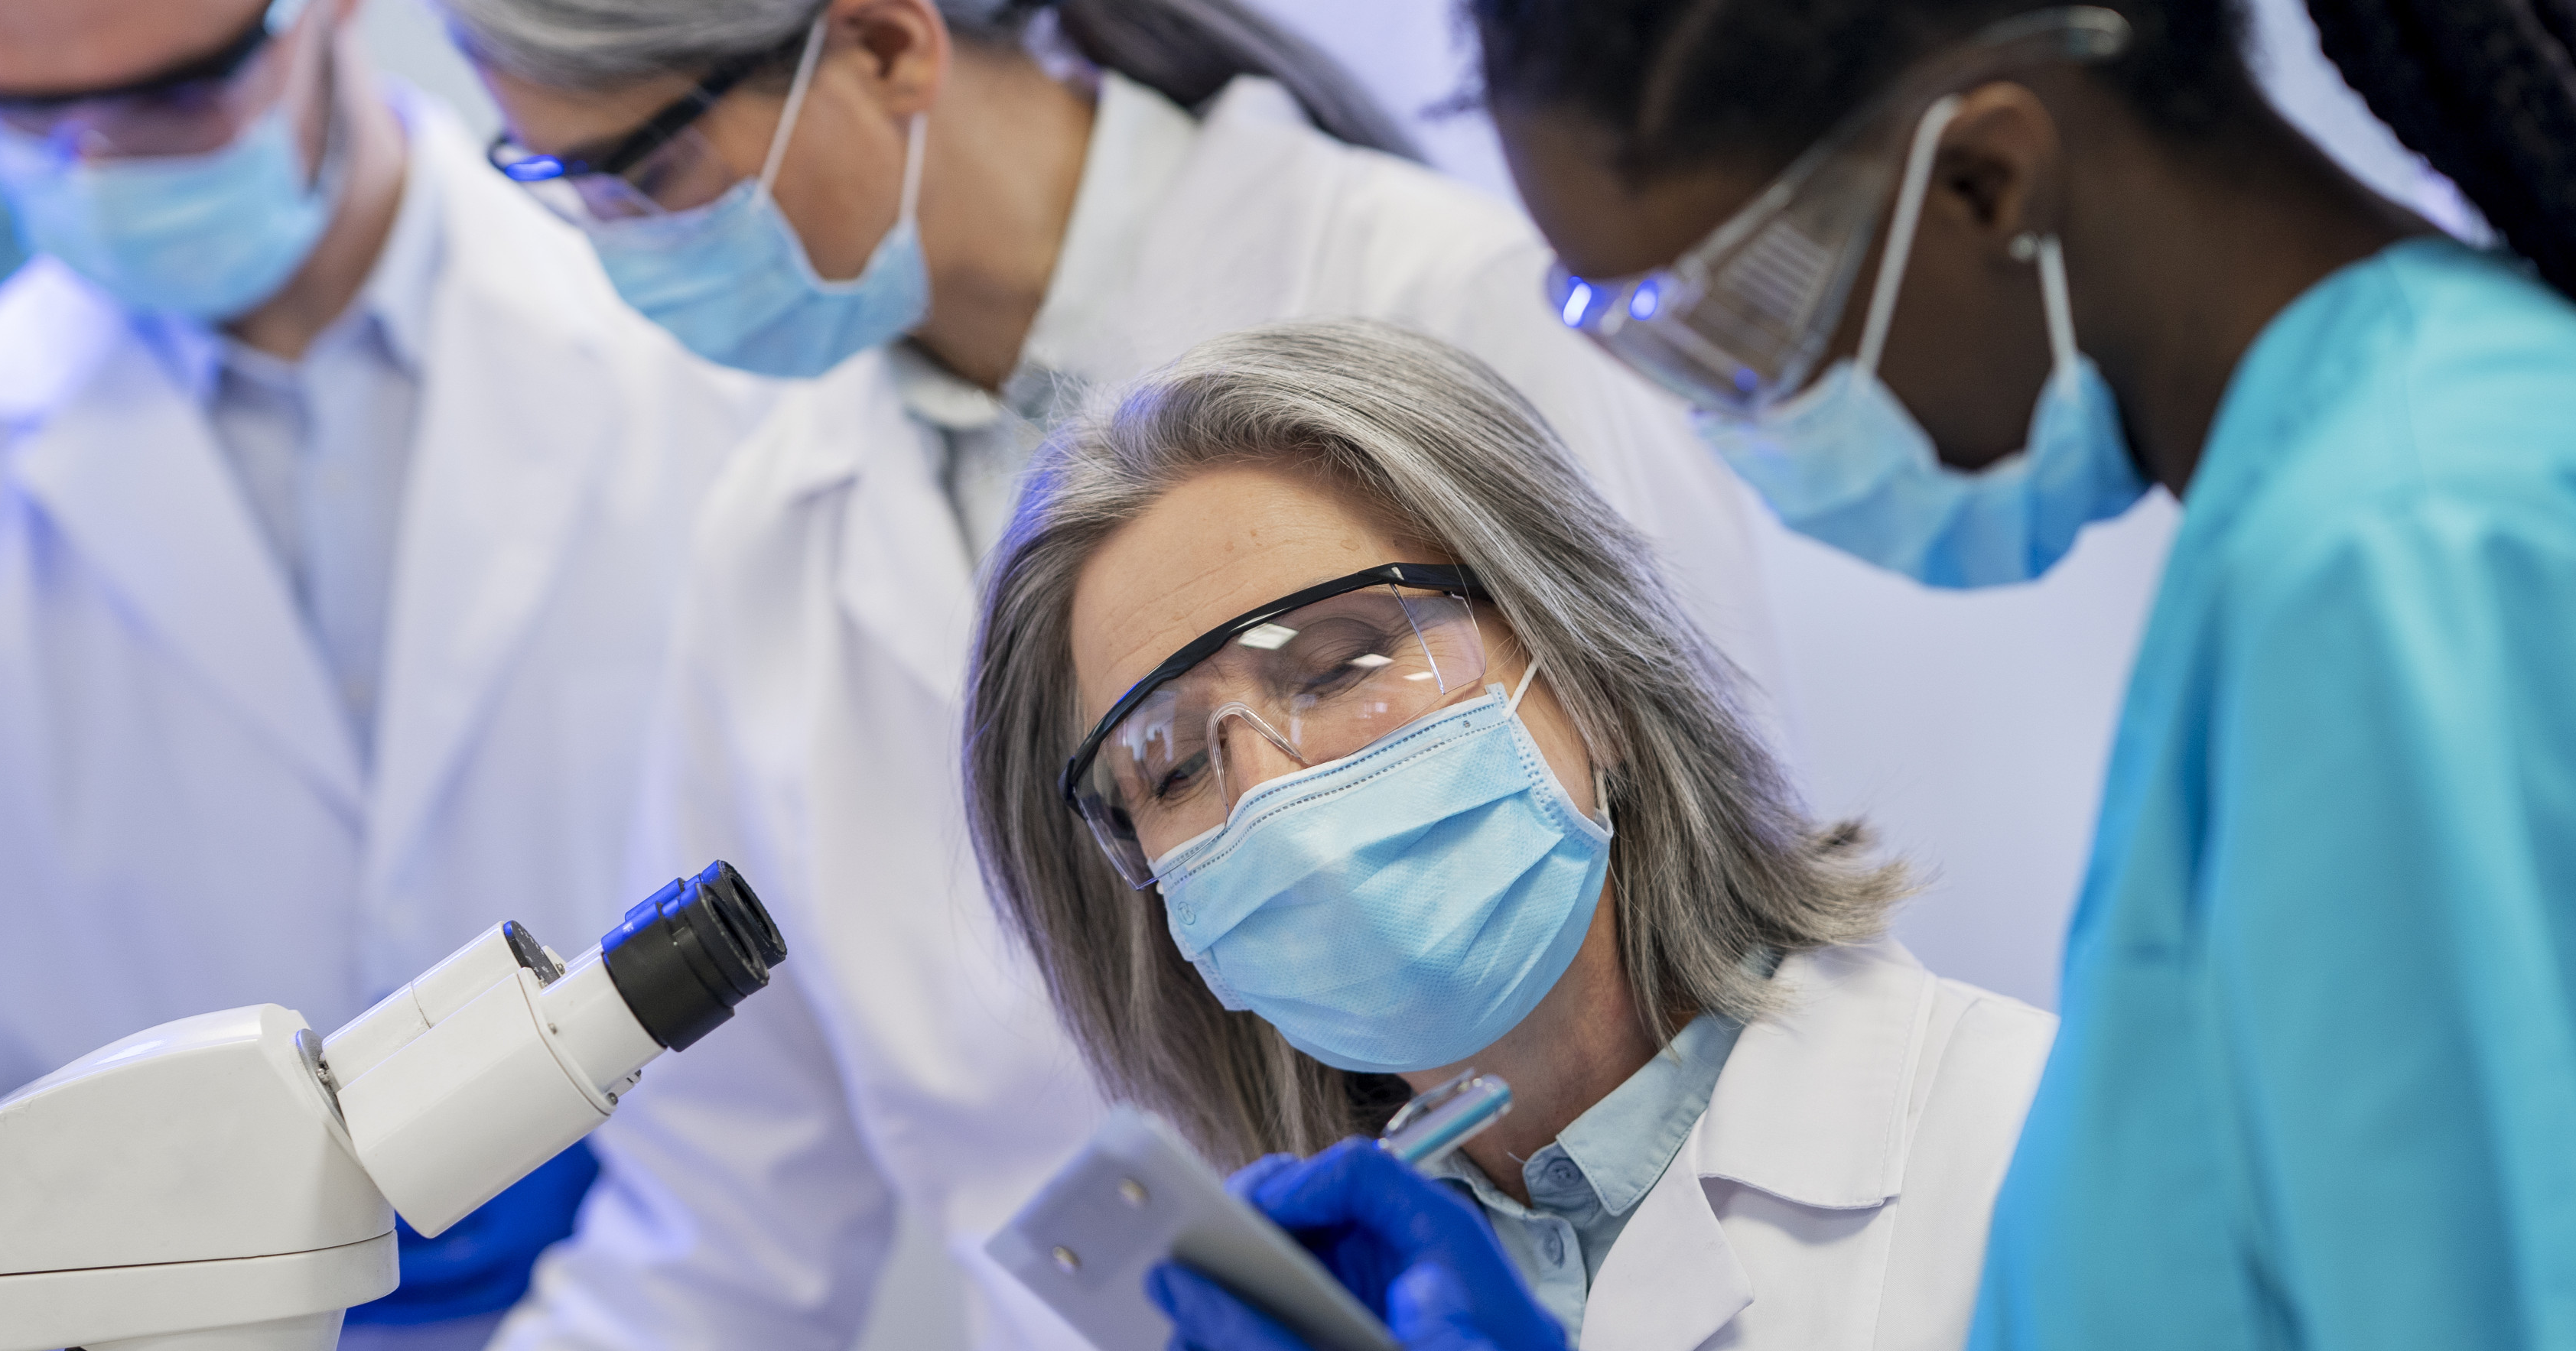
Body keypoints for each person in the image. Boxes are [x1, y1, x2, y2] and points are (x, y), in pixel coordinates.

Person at [1165, 0, 2576, 1346]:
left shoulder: (2415, 569)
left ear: (1987, 180)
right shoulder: (2322, 521)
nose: (1729, 423)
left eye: (1719, 334)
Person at [431, 1, 1795, 1345]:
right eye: (563, 184)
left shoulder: (1434, 294)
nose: (622, 249)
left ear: (887, 45)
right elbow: (728, 1222)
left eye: (647, 171)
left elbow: (1727, 898)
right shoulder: (772, 537)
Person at [0, 0, 778, 1343]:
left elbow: (824, 1002)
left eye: (171, 101)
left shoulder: (710, 364)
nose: (99, 167)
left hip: (690, 1280)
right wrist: (154, 1257)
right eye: (28, 118)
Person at [964, 317, 2058, 1349]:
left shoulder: (2031, 1149)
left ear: (1593, 672)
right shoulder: (1305, 1300)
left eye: (1339, 663)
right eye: (1176, 767)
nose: (1263, 797)